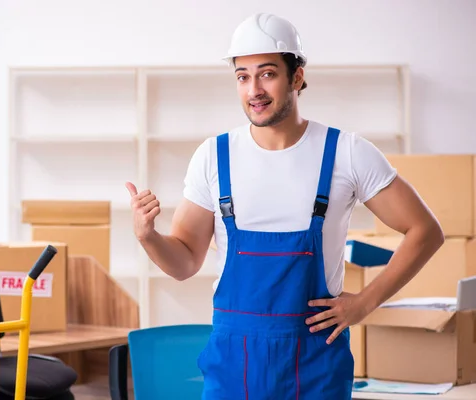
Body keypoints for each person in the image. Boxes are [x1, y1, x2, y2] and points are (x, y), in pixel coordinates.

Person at [125, 12, 444, 400]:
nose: (254, 89)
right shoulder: (213, 156)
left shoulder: (347, 153)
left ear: (297, 76)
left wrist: (364, 303)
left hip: (315, 365)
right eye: (242, 76)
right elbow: (185, 262)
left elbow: (425, 231)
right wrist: (148, 237)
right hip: (232, 365)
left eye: (267, 73)